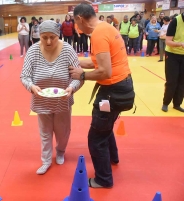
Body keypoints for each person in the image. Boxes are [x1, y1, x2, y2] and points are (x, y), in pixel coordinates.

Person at [69, 3, 135, 188]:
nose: (77, 27)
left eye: (76, 22)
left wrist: (81, 75)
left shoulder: (98, 34)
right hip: (123, 87)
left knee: (96, 137)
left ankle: (103, 179)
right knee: (106, 126)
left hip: (113, 91)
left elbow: (105, 71)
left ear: (80, 19)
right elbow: (98, 61)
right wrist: (75, 63)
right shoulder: (106, 28)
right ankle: (113, 158)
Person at [20, 20, 83, 175]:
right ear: (38, 36)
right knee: (45, 132)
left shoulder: (68, 50)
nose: (48, 41)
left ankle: (60, 151)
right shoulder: (33, 51)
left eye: (52, 37)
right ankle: (46, 160)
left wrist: (71, 88)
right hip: (41, 100)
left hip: (63, 101)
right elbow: (25, 76)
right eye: (44, 37)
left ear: (58, 35)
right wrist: (31, 87)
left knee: (63, 132)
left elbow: (78, 76)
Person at [162, 12, 184, 113]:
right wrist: (180, 44)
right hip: (172, 55)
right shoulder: (175, 21)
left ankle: (177, 104)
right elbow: (168, 41)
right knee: (172, 81)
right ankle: (166, 103)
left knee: (182, 81)